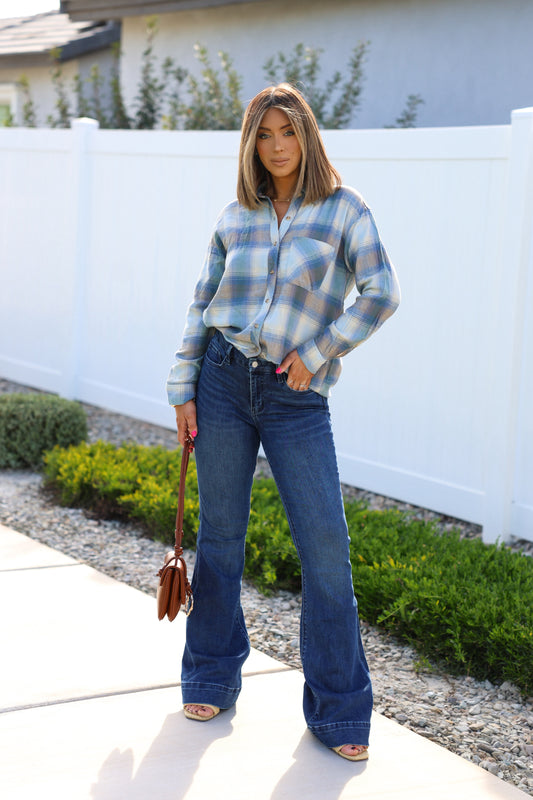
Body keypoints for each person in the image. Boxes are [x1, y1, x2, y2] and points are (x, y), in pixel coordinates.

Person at [166, 83, 400, 761]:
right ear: (249, 141)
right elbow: (200, 304)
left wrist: (318, 351)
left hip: (294, 396)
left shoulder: (344, 210)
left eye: (286, 133)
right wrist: (182, 386)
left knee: (326, 550)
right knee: (220, 540)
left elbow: (381, 291)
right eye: (263, 134)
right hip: (220, 380)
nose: (275, 147)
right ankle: (209, 672)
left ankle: (339, 709)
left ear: (306, 135)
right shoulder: (233, 215)